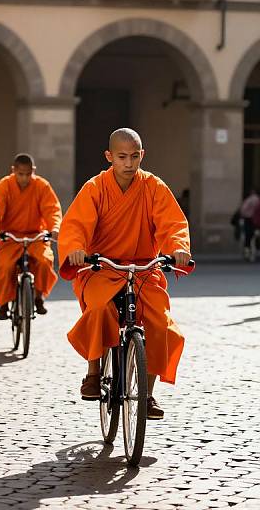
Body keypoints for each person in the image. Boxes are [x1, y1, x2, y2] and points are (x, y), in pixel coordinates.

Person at [58, 128, 191, 420]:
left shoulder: (154, 187)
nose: (129, 163)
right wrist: (77, 249)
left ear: (141, 155)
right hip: (101, 267)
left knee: (163, 326)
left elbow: (172, 223)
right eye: (122, 157)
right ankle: (93, 372)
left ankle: (147, 394)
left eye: (134, 156)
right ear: (109, 157)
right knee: (99, 308)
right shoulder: (95, 188)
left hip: (144, 269)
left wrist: (178, 247)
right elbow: (76, 225)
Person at [0, 153, 62, 318]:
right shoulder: (4, 186)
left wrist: (55, 228)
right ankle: (4, 303)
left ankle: (38, 296)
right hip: (9, 237)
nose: (24, 178)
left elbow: (52, 210)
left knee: (45, 261)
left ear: (33, 170)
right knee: (3, 266)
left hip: (35, 236)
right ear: (13, 170)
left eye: (28, 174)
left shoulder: (42, 186)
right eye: (20, 174)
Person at [239, 188, 260, 261]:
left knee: (248, 237)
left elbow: (243, 209)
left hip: (248, 219)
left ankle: (248, 253)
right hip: (256, 221)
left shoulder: (248, 200)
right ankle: (256, 252)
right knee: (255, 237)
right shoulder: (258, 200)